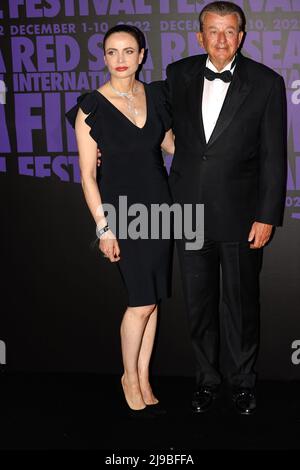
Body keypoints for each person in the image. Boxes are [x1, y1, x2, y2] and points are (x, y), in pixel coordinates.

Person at [162, 1, 287, 415]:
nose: (221, 39)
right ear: (200, 36)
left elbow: (273, 156)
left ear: (242, 36)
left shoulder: (267, 82)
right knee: (198, 306)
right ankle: (206, 380)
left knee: (241, 306)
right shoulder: (178, 74)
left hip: (241, 216)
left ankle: (243, 383)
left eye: (229, 31)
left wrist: (267, 214)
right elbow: (149, 119)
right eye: (213, 31)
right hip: (189, 215)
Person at [65, 25, 174, 418]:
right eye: (113, 52)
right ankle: (128, 376)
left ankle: (143, 376)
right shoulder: (91, 106)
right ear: (104, 57)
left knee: (153, 300)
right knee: (140, 301)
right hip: (123, 214)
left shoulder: (156, 96)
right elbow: (87, 175)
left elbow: (170, 144)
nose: (121, 58)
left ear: (142, 55)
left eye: (129, 51)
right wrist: (104, 228)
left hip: (161, 209)